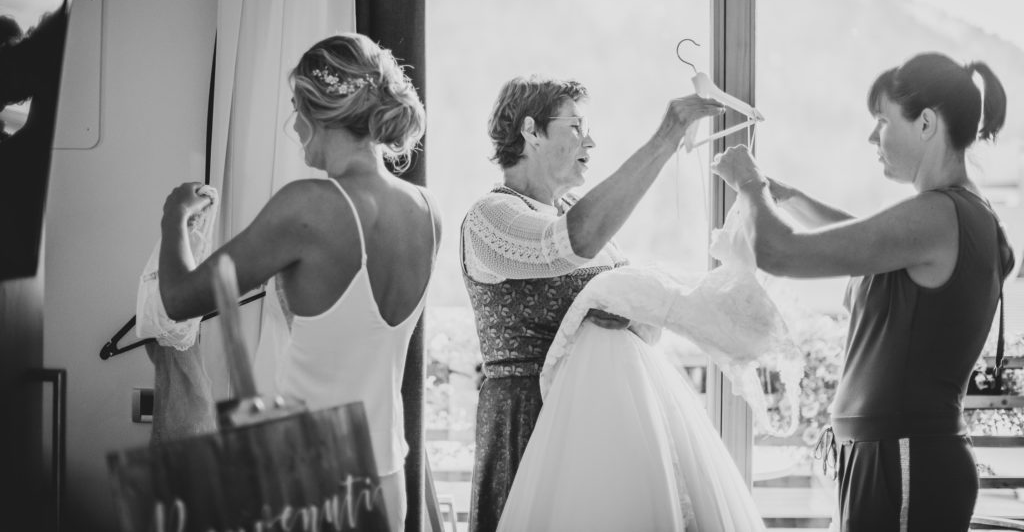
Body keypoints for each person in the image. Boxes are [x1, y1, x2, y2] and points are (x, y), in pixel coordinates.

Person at [712, 52, 1015, 532]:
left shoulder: (938, 214)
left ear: (926, 124)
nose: (873, 137)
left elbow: (781, 254)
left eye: (883, 121)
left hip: (904, 458)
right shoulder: (956, 214)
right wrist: (786, 197)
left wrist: (747, 183)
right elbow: (863, 241)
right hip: (896, 456)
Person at [159, 32, 440, 532]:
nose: (293, 123)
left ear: (317, 111)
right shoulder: (427, 209)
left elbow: (179, 299)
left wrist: (174, 218)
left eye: (295, 106)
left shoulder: (308, 206)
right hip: (387, 476)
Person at [461, 75, 723, 532]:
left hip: (600, 420)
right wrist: (666, 137)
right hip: (531, 416)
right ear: (531, 131)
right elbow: (567, 244)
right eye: (576, 126)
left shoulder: (573, 207)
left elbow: (637, 312)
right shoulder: (491, 215)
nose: (591, 141)